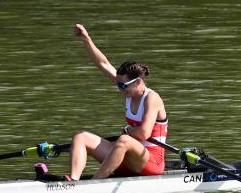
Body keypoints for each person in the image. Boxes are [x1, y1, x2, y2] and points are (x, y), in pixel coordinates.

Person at [67, 24, 168, 180]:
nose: (120, 89)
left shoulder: (152, 98)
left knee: (124, 140)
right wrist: (86, 40)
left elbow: (143, 133)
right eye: (118, 85)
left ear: (138, 82)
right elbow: (103, 64)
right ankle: (73, 181)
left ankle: (95, 183)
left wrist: (127, 129)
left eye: (122, 86)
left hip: (152, 162)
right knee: (81, 136)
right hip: (127, 158)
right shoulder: (129, 90)